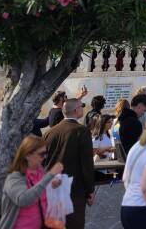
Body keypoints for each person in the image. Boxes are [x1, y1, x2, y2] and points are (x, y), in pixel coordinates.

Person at [44, 98, 95, 229]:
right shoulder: (81, 131)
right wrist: (90, 190)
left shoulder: (49, 132)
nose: (83, 108)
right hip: (73, 189)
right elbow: (87, 163)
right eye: (81, 106)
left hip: (51, 188)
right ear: (76, 110)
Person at [0, 136, 64, 229]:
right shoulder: (14, 178)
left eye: (46, 153)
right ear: (27, 155)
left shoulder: (40, 171)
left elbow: (42, 190)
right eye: (42, 154)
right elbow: (23, 199)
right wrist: (50, 175)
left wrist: (55, 183)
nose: (44, 157)